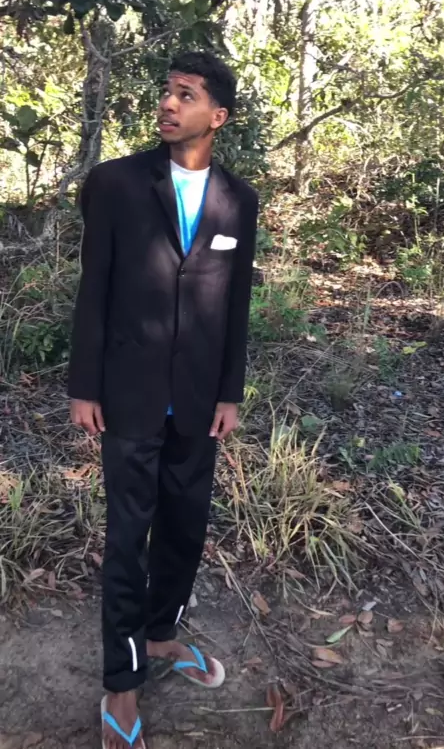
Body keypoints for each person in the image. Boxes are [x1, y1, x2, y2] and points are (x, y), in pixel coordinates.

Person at [68, 50, 259, 749]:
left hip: (199, 400)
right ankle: (122, 681)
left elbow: (235, 305)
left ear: (219, 116)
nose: (170, 103)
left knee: (185, 528)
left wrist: (230, 392)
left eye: (187, 94)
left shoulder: (238, 199)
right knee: (128, 538)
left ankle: (159, 637)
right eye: (168, 91)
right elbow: (94, 289)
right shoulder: (116, 183)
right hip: (128, 393)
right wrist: (84, 385)